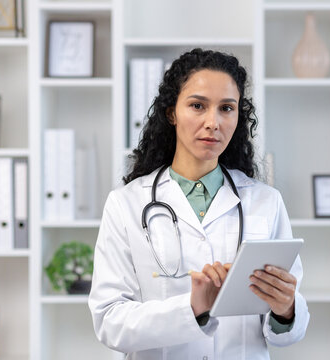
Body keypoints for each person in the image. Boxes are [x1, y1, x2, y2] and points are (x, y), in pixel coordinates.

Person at [88, 48, 310, 359]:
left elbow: (288, 330)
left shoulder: (266, 202)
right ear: (172, 113)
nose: (213, 122)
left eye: (226, 108)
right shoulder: (126, 204)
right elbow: (109, 322)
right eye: (197, 105)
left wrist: (286, 309)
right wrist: (192, 309)